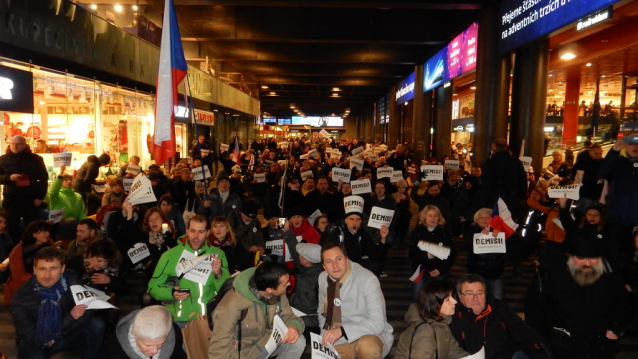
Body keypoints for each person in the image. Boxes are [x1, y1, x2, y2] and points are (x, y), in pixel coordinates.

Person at [525, 235, 632, 359]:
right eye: (580, 258)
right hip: (561, 346)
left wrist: (615, 330)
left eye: (593, 259)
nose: (587, 263)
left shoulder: (610, 273)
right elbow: (533, 310)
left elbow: (624, 304)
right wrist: (543, 342)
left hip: (600, 345)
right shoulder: (549, 274)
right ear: (569, 256)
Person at [10, 247, 105, 358]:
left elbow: (89, 307)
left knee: (97, 324)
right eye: (42, 269)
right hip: (37, 342)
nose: (47, 275)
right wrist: (70, 317)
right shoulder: (20, 299)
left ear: (62, 268)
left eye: (53, 268)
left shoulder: (71, 278)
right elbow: (31, 338)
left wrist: (57, 335)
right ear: (34, 269)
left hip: (62, 333)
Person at [208, 261, 306, 359]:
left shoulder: (277, 293)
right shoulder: (231, 305)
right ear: (269, 290)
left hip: (265, 342)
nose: (289, 284)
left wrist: (294, 326)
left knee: (298, 341)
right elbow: (218, 347)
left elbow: (287, 314)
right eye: (285, 284)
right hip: (242, 353)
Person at [147, 215, 231, 326]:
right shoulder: (169, 256)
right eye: (192, 231)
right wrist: (171, 292)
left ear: (207, 233)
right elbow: (153, 287)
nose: (196, 236)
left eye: (201, 232)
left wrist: (219, 275)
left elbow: (227, 291)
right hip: (178, 320)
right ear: (187, 231)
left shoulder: (218, 255)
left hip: (209, 319)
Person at [318, 242, 394, 358]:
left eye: (339, 259)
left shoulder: (367, 280)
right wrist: (324, 335)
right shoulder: (323, 279)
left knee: (367, 348)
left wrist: (342, 330)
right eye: (329, 261)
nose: (335, 265)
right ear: (324, 266)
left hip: (368, 333)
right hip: (339, 337)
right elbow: (322, 312)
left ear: (346, 259)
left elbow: (378, 323)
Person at [395, 280, 469, 359]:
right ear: (434, 304)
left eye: (452, 297)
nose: (454, 301)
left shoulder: (441, 324)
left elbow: (454, 351)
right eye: (447, 299)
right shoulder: (425, 331)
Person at [598, 135, 638, 265]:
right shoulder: (618, 163)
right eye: (631, 143)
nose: (635, 146)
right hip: (617, 219)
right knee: (615, 256)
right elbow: (602, 172)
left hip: (635, 220)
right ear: (625, 145)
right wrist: (614, 151)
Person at [0, 135, 49, 241]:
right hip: (11, 200)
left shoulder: (36, 159)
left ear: (24, 145)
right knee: (11, 229)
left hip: (31, 200)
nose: (14, 147)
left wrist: (40, 197)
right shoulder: (3, 159)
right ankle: (11, 253)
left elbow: (43, 179)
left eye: (18, 144)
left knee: (32, 229)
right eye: (12, 144)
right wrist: (9, 178)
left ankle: (31, 251)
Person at [325, 199, 389, 277]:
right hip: (340, 267)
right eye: (351, 219)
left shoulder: (362, 233)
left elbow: (376, 255)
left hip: (357, 267)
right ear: (346, 221)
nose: (354, 223)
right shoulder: (337, 233)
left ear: (361, 221)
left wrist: (383, 238)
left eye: (358, 219)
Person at [409, 205, 456, 300]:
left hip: (440, 269)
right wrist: (427, 256)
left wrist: (440, 270)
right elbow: (412, 255)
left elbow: (452, 255)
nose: (433, 218)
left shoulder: (445, 232)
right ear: (424, 217)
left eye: (435, 215)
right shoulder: (417, 232)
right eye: (429, 215)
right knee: (416, 297)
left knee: (441, 298)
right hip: (421, 270)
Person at [3, 221, 55, 306]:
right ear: (34, 234)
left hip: (46, 282)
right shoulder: (20, 249)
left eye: (48, 231)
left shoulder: (50, 244)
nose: (48, 234)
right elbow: (18, 275)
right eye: (44, 232)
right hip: (24, 287)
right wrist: (41, 280)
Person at [104, 305, 186, 359]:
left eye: (160, 343)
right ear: (133, 334)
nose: (155, 351)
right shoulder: (114, 350)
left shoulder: (174, 332)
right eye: (148, 345)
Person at [478, 138, 527, 224]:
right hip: (512, 201)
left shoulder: (490, 163)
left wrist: (483, 204)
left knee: (495, 227)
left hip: (494, 201)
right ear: (506, 147)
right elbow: (523, 183)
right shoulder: (515, 162)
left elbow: (486, 185)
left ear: (493, 147)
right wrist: (520, 199)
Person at [463, 208, 505, 299]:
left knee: (498, 300)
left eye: (487, 217)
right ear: (476, 220)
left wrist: (502, 235)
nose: (484, 219)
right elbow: (466, 246)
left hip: (495, 274)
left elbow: (514, 246)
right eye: (481, 217)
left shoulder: (499, 230)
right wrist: (480, 236)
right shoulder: (471, 230)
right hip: (476, 274)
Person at [289, 243, 323, 332]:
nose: (298, 256)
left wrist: (288, 299)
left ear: (306, 261)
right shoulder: (316, 268)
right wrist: (287, 233)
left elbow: (305, 306)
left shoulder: (308, 284)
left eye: (300, 255)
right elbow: (294, 253)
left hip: (307, 316)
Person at [228, 200, 265, 270]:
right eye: (248, 216)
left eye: (253, 217)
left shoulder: (255, 221)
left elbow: (259, 236)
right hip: (237, 256)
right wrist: (248, 248)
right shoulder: (232, 220)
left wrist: (260, 247)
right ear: (242, 213)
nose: (250, 219)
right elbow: (231, 239)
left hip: (250, 257)